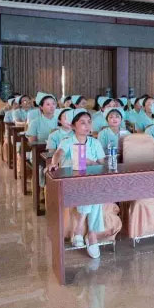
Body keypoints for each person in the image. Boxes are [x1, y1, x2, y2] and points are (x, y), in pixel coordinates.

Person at [48, 109, 115, 259]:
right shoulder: (67, 141)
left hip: (92, 181)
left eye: (89, 122)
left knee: (93, 189)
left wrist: (91, 163)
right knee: (93, 191)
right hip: (72, 182)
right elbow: (58, 154)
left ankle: (84, 230)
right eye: (82, 123)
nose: (87, 125)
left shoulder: (95, 142)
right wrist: (54, 163)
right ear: (73, 126)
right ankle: (90, 234)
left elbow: (103, 164)